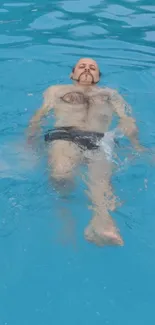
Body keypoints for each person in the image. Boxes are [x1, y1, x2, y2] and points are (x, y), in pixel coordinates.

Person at [27, 57, 144, 247]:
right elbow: (39, 115)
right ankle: (65, 213)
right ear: (72, 74)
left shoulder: (110, 94)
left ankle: (102, 225)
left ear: (98, 76)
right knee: (61, 174)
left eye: (92, 68)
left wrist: (135, 142)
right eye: (82, 67)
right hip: (64, 134)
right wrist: (30, 137)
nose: (87, 70)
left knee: (101, 182)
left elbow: (127, 119)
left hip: (99, 138)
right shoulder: (56, 90)